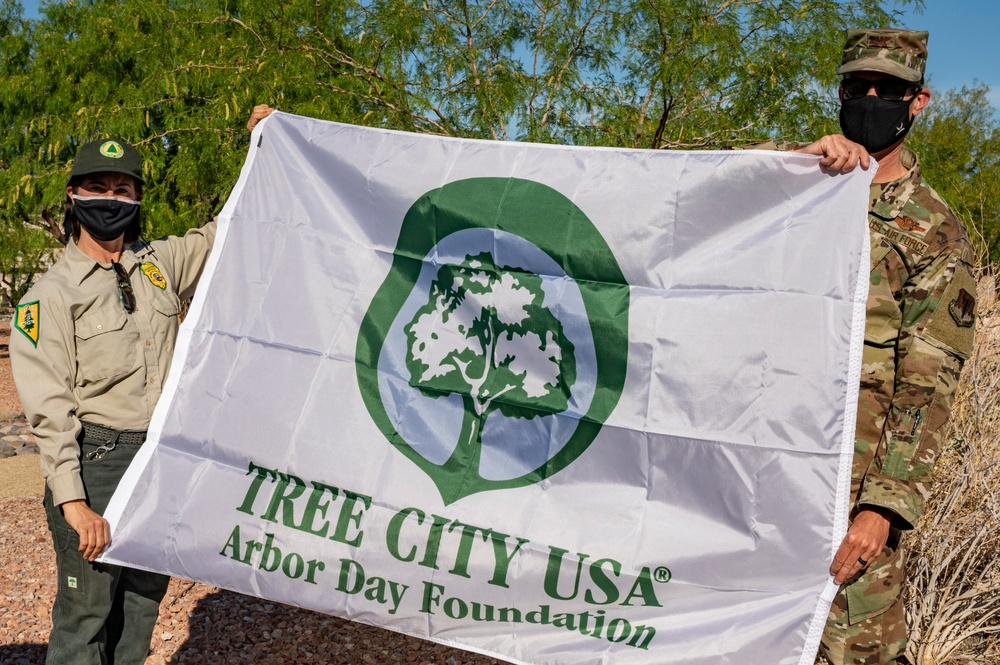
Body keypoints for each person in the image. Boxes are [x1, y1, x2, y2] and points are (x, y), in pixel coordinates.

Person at [10, 105, 273, 665]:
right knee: (86, 613)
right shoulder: (48, 295)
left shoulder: (158, 265)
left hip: (159, 460)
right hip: (98, 462)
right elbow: (49, 411)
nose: (111, 197)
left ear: (137, 199)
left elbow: (225, 231)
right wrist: (74, 503)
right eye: (98, 186)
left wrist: (263, 150)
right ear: (74, 195)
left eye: (123, 187)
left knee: (142, 604)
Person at [792, 29, 977, 664]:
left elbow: (927, 387)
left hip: (850, 494)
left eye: (889, 90)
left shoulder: (933, 231)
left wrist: (881, 510)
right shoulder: (796, 185)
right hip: (766, 471)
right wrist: (792, 158)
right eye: (858, 87)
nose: (872, 98)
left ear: (917, 100)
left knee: (852, 649)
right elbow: (708, 202)